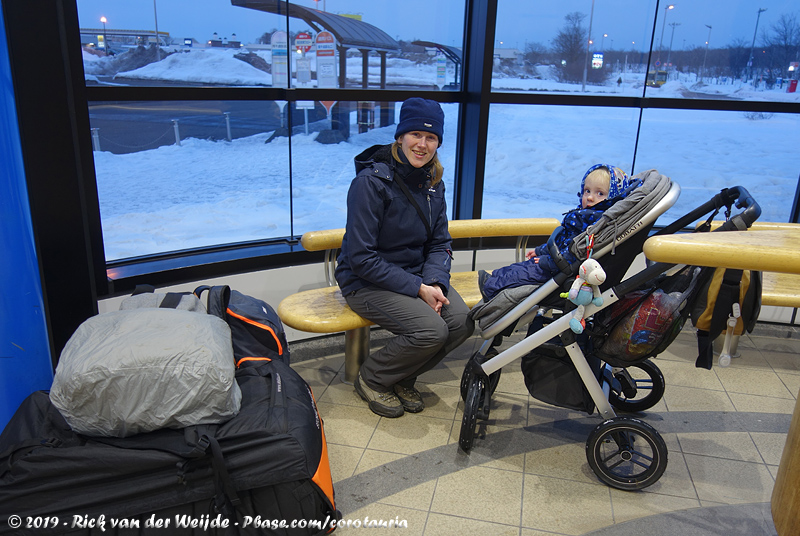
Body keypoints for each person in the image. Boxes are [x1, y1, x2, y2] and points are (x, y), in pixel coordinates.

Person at [334, 98, 474, 418]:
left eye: (431, 138)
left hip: (415, 276)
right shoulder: (371, 183)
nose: (422, 145)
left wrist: (435, 281)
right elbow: (361, 257)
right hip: (365, 281)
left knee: (461, 322)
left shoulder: (433, 183)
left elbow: (440, 243)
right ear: (400, 137)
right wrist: (419, 288)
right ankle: (373, 378)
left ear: (438, 142)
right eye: (415, 135)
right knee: (431, 330)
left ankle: (402, 377)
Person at [478, 164, 630, 302]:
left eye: (600, 193)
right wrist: (540, 250)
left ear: (613, 199)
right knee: (519, 267)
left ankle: (490, 288)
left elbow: (578, 252)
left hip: (558, 267)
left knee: (522, 275)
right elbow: (563, 240)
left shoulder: (594, 223)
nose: (590, 197)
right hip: (553, 258)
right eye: (587, 191)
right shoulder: (584, 215)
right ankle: (494, 277)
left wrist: (549, 262)